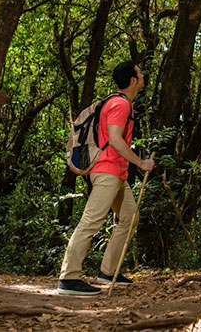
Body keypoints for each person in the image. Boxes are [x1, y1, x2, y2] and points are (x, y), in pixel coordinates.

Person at [57, 61, 156, 296]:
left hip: (117, 174)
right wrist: (140, 162)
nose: (142, 76)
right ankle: (68, 278)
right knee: (91, 220)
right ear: (133, 81)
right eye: (140, 73)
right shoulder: (120, 104)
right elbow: (115, 139)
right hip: (107, 171)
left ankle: (108, 272)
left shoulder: (118, 102)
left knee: (130, 217)